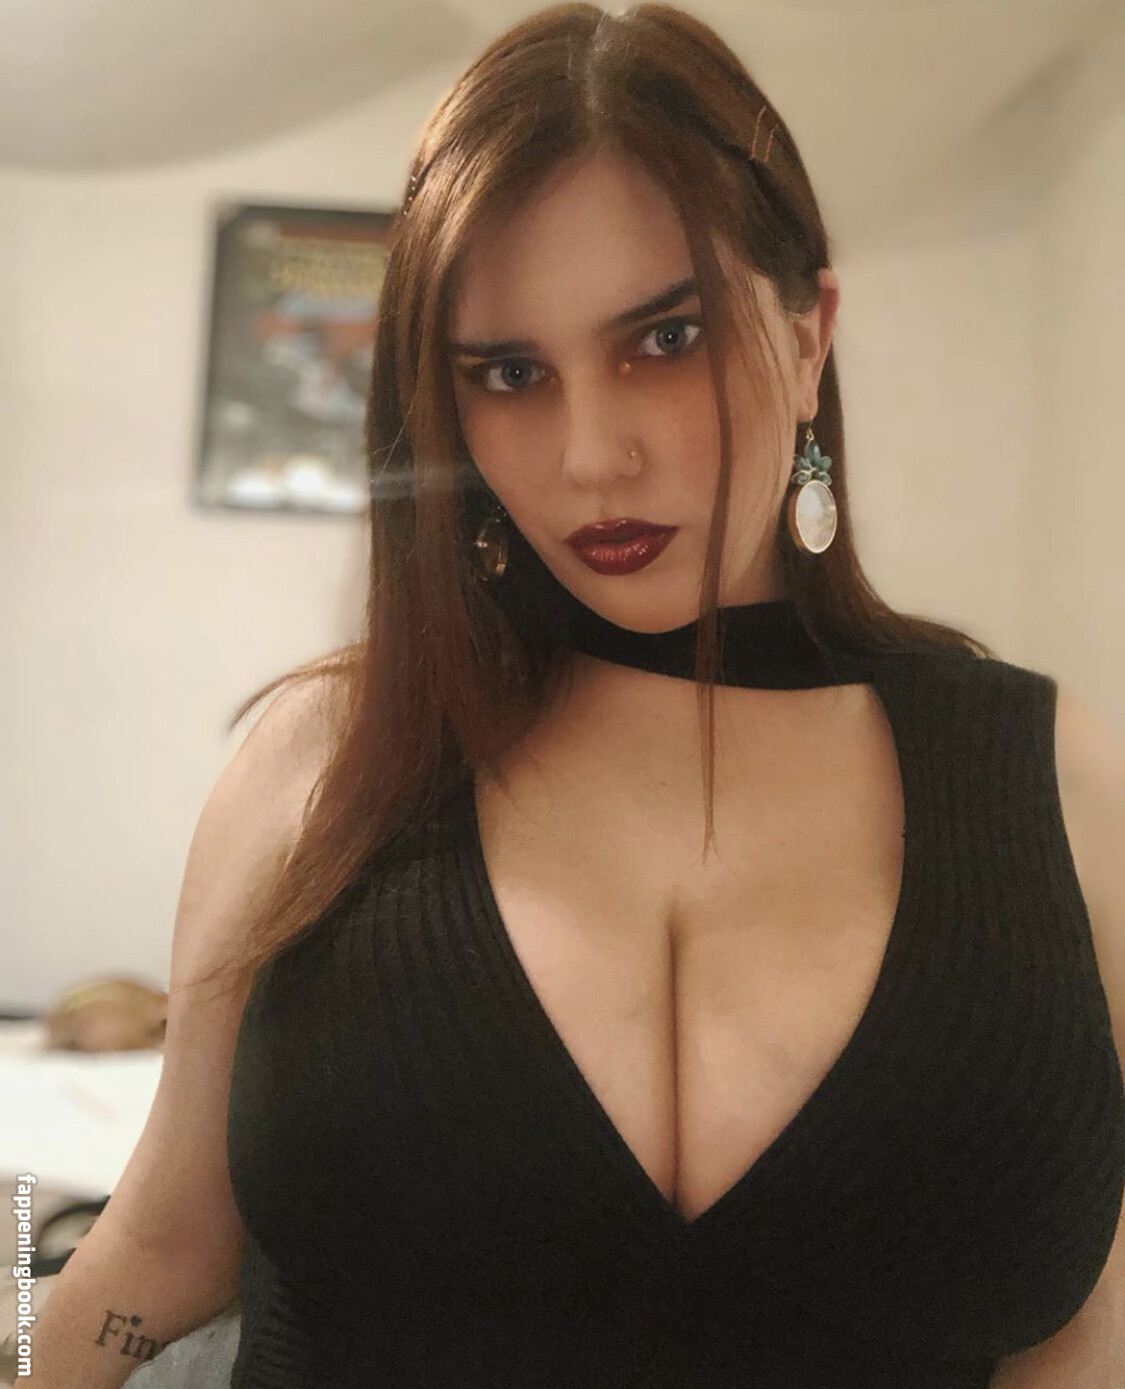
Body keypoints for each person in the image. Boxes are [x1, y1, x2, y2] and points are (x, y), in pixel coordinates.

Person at [21, 5, 1124, 1389]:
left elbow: (1084, 1327)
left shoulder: (1059, 786)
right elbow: (154, 1243)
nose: (591, 455)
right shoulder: (326, 760)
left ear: (808, 337)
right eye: (508, 373)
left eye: (667, 337)